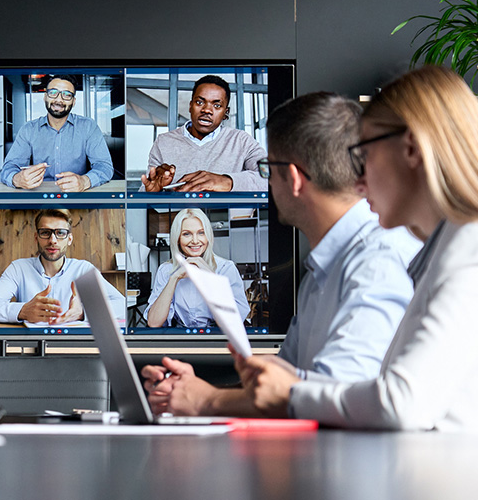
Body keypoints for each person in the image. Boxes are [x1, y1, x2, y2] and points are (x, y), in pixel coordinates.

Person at [141, 92, 419, 417]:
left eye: (268, 168)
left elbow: (341, 397)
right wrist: (190, 391)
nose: (267, 181)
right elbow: (287, 384)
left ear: (295, 178)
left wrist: (206, 401)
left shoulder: (377, 261)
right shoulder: (323, 268)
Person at [235, 67, 478, 431]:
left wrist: (290, 393)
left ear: (410, 148)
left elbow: (401, 402)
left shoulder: (467, 249)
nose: (358, 180)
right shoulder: (444, 249)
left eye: (364, 154)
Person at [0, 209, 125, 324]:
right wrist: (23, 311)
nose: (52, 240)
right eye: (45, 232)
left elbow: (122, 305)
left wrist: (82, 312)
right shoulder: (18, 268)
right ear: (36, 238)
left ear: (69, 239)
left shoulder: (83, 269)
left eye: (60, 233)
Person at [140, 75, 267, 192]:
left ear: (225, 113)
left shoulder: (242, 141)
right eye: (200, 102)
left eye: (217, 105)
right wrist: (152, 192)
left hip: (223, 217)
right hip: (178, 217)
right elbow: (147, 190)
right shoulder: (164, 142)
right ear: (190, 106)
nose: (206, 110)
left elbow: (272, 177)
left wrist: (227, 181)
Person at [0, 74, 114, 192]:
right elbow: (9, 167)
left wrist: (84, 181)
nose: (59, 100)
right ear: (45, 96)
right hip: (39, 199)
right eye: (53, 92)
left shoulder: (89, 127)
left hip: (77, 197)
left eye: (67, 95)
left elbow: (104, 166)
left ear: (73, 101)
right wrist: (17, 179)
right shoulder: (28, 129)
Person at [144, 208, 250, 328]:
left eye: (201, 233)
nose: (195, 241)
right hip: (182, 338)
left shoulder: (226, 268)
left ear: (208, 236)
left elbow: (231, 323)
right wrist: (174, 278)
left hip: (218, 338)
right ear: (177, 239)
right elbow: (153, 323)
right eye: (186, 234)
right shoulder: (166, 270)